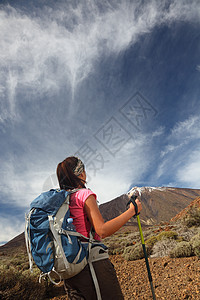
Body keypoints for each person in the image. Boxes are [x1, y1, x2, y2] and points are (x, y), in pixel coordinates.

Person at [56, 156, 142, 300]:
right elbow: (102, 230)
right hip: (92, 265)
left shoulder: (61, 201)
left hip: (69, 268)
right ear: (81, 173)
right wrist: (132, 211)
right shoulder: (84, 195)